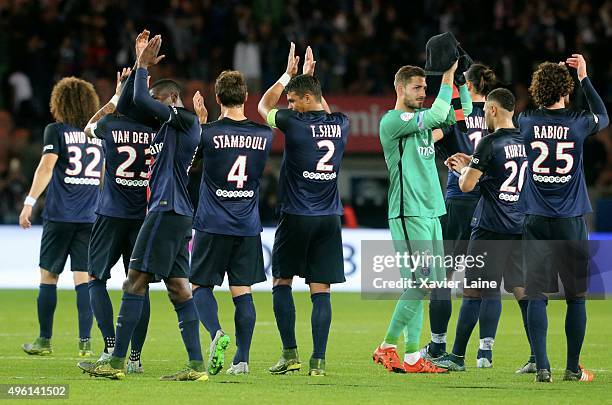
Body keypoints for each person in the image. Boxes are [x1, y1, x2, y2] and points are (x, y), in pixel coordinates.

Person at [78, 32, 206, 381]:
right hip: (180, 213)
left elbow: (136, 97)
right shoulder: (183, 125)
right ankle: (196, 366)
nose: (150, 106)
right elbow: (138, 103)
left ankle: (116, 362)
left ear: (170, 100)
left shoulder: (179, 119)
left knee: (134, 282)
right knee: (179, 287)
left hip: (165, 210)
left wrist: (141, 64)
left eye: (156, 101)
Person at [372, 60, 472, 374]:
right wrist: (447, 76)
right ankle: (387, 346)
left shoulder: (423, 124)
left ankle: (413, 357)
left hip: (431, 211)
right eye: (417, 87)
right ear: (399, 88)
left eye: (425, 88)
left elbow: (461, 113)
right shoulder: (393, 120)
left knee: (420, 286)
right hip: (408, 211)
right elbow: (439, 113)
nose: (422, 92)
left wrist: (463, 81)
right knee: (421, 283)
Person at [257, 44, 349, 376]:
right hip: (329, 218)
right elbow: (320, 105)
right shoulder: (342, 123)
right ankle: (319, 362)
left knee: (281, 281)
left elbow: (263, 105)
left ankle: (290, 354)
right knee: (320, 289)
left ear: (306, 100)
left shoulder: (293, 124)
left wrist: (288, 75)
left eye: (295, 101)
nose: (290, 106)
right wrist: (310, 80)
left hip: (296, 215)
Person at [518, 54, 608, 383]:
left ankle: (542, 366)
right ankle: (572, 368)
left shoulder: (525, 120)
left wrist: (547, 79)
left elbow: (528, 113)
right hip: (570, 220)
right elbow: (603, 116)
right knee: (575, 297)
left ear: (538, 91)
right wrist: (583, 76)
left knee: (537, 295)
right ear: (566, 91)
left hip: (536, 219)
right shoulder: (579, 122)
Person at [437, 88, 532, 371]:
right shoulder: (525, 141)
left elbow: (467, 185)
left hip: (491, 224)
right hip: (518, 223)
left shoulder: (490, 142)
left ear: (491, 109)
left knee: (475, 289)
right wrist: (474, 168)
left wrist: (461, 170)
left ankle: (458, 357)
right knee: (519, 289)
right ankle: (534, 355)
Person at [190, 70, 273, 376]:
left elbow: (191, 163)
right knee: (243, 291)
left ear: (217, 98)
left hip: (212, 222)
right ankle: (243, 359)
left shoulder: (208, 133)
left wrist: (200, 122)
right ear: (246, 97)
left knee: (199, 285)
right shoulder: (265, 135)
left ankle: (215, 334)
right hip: (247, 224)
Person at [20, 76, 102, 357]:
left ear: (60, 103)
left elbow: (46, 167)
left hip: (59, 215)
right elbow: (103, 176)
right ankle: (85, 344)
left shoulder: (56, 131)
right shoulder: (97, 133)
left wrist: (29, 202)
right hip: (90, 216)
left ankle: (44, 341)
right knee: (83, 279)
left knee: (48, 277)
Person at [422, 64, 499, 362]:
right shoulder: (498, 115)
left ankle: (438, 345)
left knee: (442, 277)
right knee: (483, 282)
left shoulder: (458, 112)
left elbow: (431, 138)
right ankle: (484, 352)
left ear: (467, 84)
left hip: (458, 199)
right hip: (490, 203)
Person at [84, 65, 155, 374]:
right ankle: (135, 357)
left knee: (96, 279)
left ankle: (111, 346)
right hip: (143, 217)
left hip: (110, 213)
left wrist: (115, 94)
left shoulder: (110, 125)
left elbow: (88, 127)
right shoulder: (157, 129)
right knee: (139, 285)